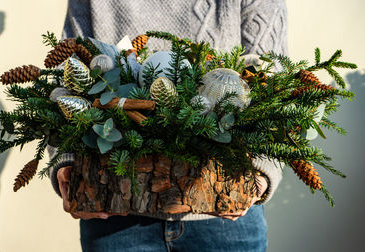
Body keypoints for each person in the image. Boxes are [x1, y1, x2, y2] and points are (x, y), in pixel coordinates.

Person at [48, 0, 287, 251]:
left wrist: (262, 169)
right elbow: (67, 72)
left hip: (225, 219)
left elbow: (272, 76)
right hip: (114, 211)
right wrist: (66, 161)